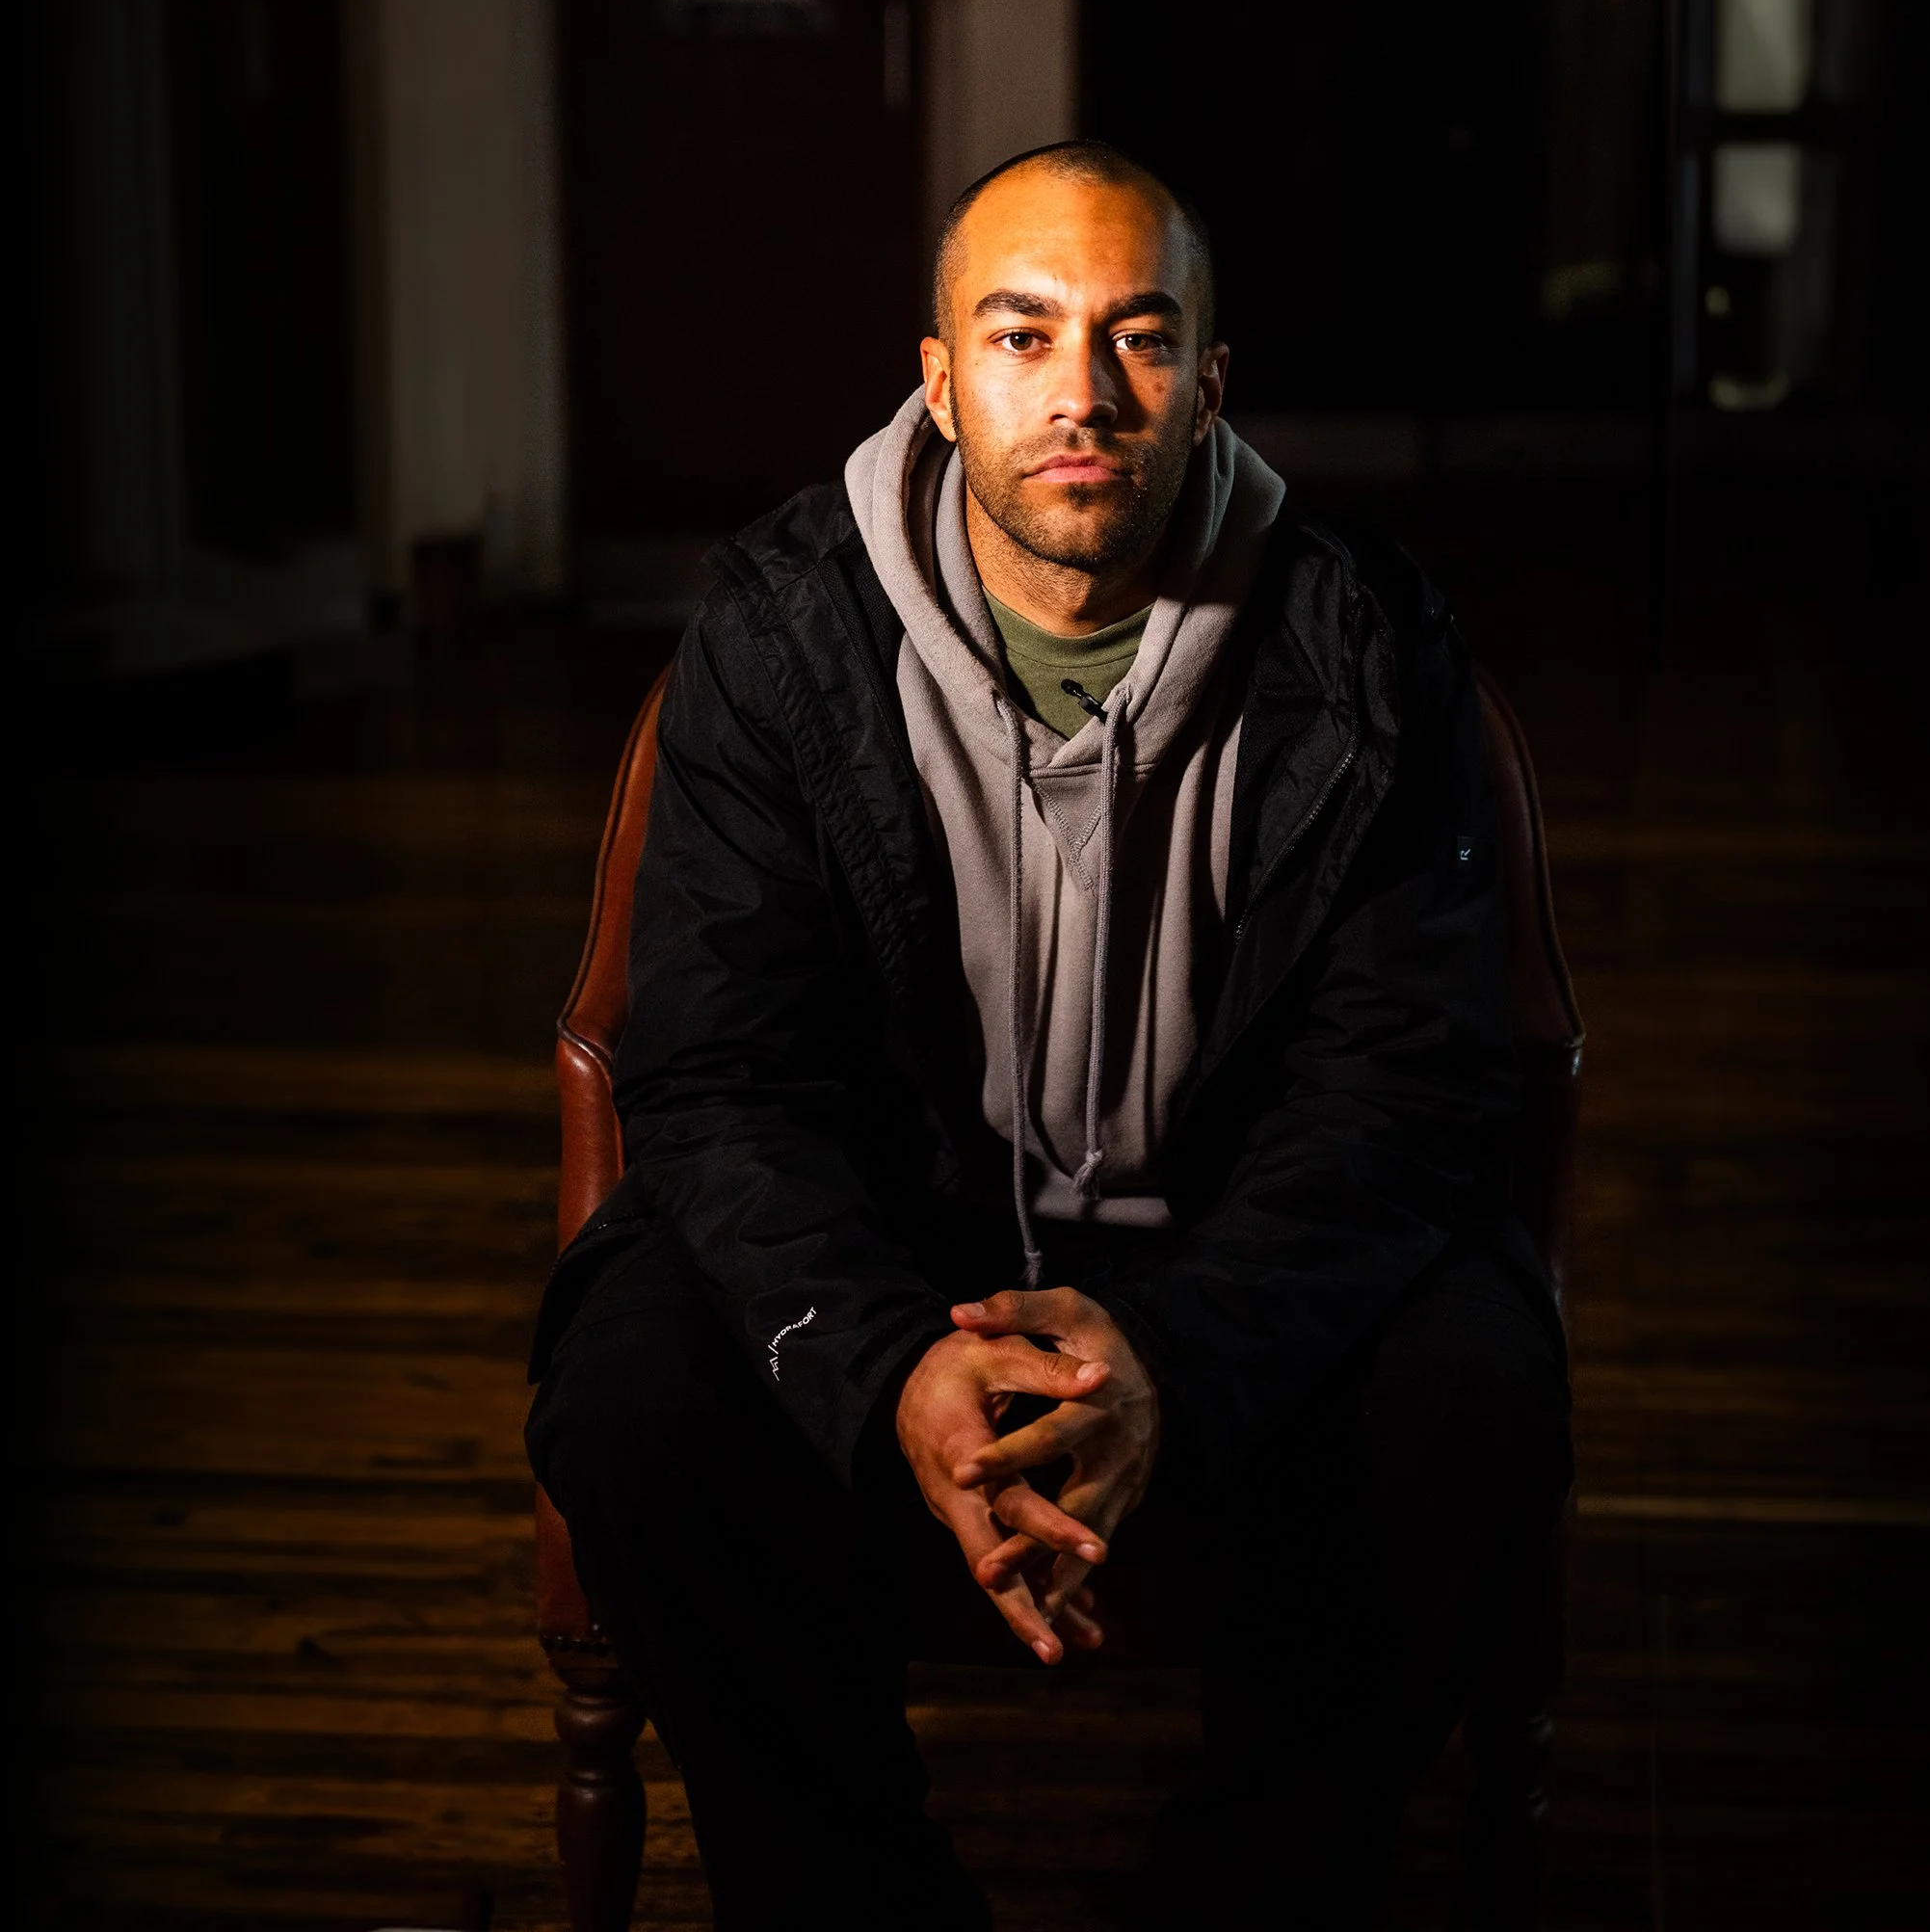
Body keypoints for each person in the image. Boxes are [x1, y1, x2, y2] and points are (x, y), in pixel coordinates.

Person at [525, 141, 1572, 1928]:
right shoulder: (781, 636)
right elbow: (718, 1077)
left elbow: (1403, 1088)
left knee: (1475, 1386)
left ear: (1208, 384)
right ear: (939, 381)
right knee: (627, 1389)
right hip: (896, 1258)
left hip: (1231, 1264)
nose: (1081, 392)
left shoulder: (1366, 641)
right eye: (1021, 336)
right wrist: (883, 1364)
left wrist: (1176, 1351)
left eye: (1137, 338)